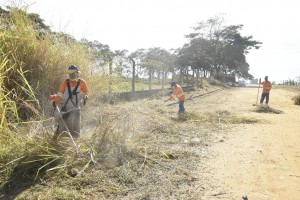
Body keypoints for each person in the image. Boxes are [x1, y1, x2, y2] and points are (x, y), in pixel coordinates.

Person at [48, 65, 88, 141]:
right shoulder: (65, 82)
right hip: (65, 110)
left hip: (75, 110)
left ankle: (73, 147)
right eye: (70, 74)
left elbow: (86, 92)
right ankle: (54, 144)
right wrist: (56, 101)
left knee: (75, 132)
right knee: (60, 130)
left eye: (73, 73)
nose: (71, 75)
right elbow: (60, 94)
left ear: (77, 73)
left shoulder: (82, 83)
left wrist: (85, 97)